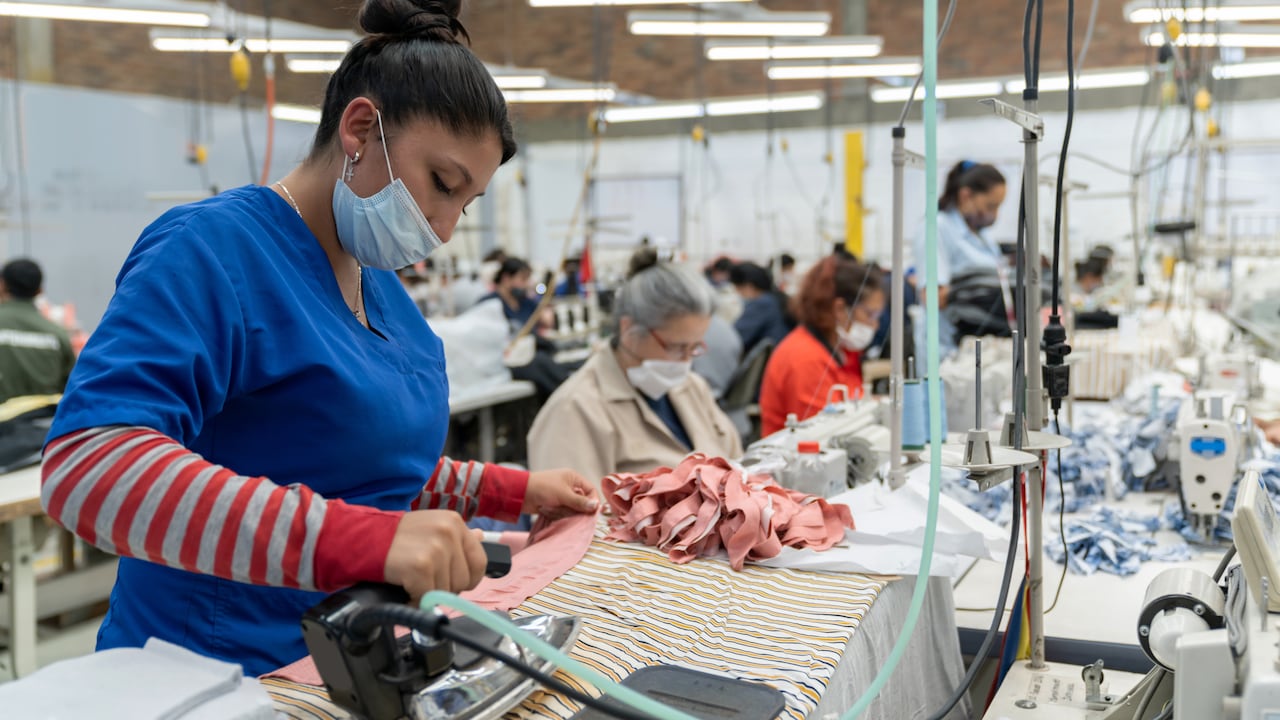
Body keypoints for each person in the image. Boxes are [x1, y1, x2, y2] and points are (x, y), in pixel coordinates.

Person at [39, 0, 598, 677]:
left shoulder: (382, 290)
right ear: (360, 127)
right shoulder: (213, 250)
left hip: (348, 663)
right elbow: (90, 468)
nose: (445, 226)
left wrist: (511, 491)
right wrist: (364, 541)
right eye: (441, 185)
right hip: (209, 675)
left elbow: (361, 466)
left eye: (466, 203)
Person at [527, 249, 742, 486]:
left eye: (694, 347)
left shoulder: (692, 388)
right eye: (676, 347)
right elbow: (570, 520)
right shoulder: (576, 410)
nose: (686, 360)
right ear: (629, 330)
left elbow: (738, 465)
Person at [759, 257, 885, 436]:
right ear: (840, 309)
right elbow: (824, 433)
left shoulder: (841, 352)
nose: (875, 325)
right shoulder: (804, 358)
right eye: (870, 314)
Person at [913, 160, 1008, 353]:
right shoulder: (936, 227)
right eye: (990, 206)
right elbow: (933, 297)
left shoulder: (983, 237)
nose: (995, 214)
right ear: (965, 196)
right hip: (947, 348)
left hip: (981, 344)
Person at [0, 259, 76, 403]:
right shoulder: (58, 335)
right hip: (45, 421)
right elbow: (70, 388)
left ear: (2, 285)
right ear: (39, 290)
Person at [729, 261, 791, 356]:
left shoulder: (762, 303)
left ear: (749, 286)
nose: (738, 293)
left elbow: (735, 337)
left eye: (738, 288)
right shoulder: (775, 298)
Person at [481, 256, 544, 331]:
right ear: (506, 278)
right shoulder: (488, 304)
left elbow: (545, 319)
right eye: (523, 279)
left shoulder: (526, 303)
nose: (527, 284)